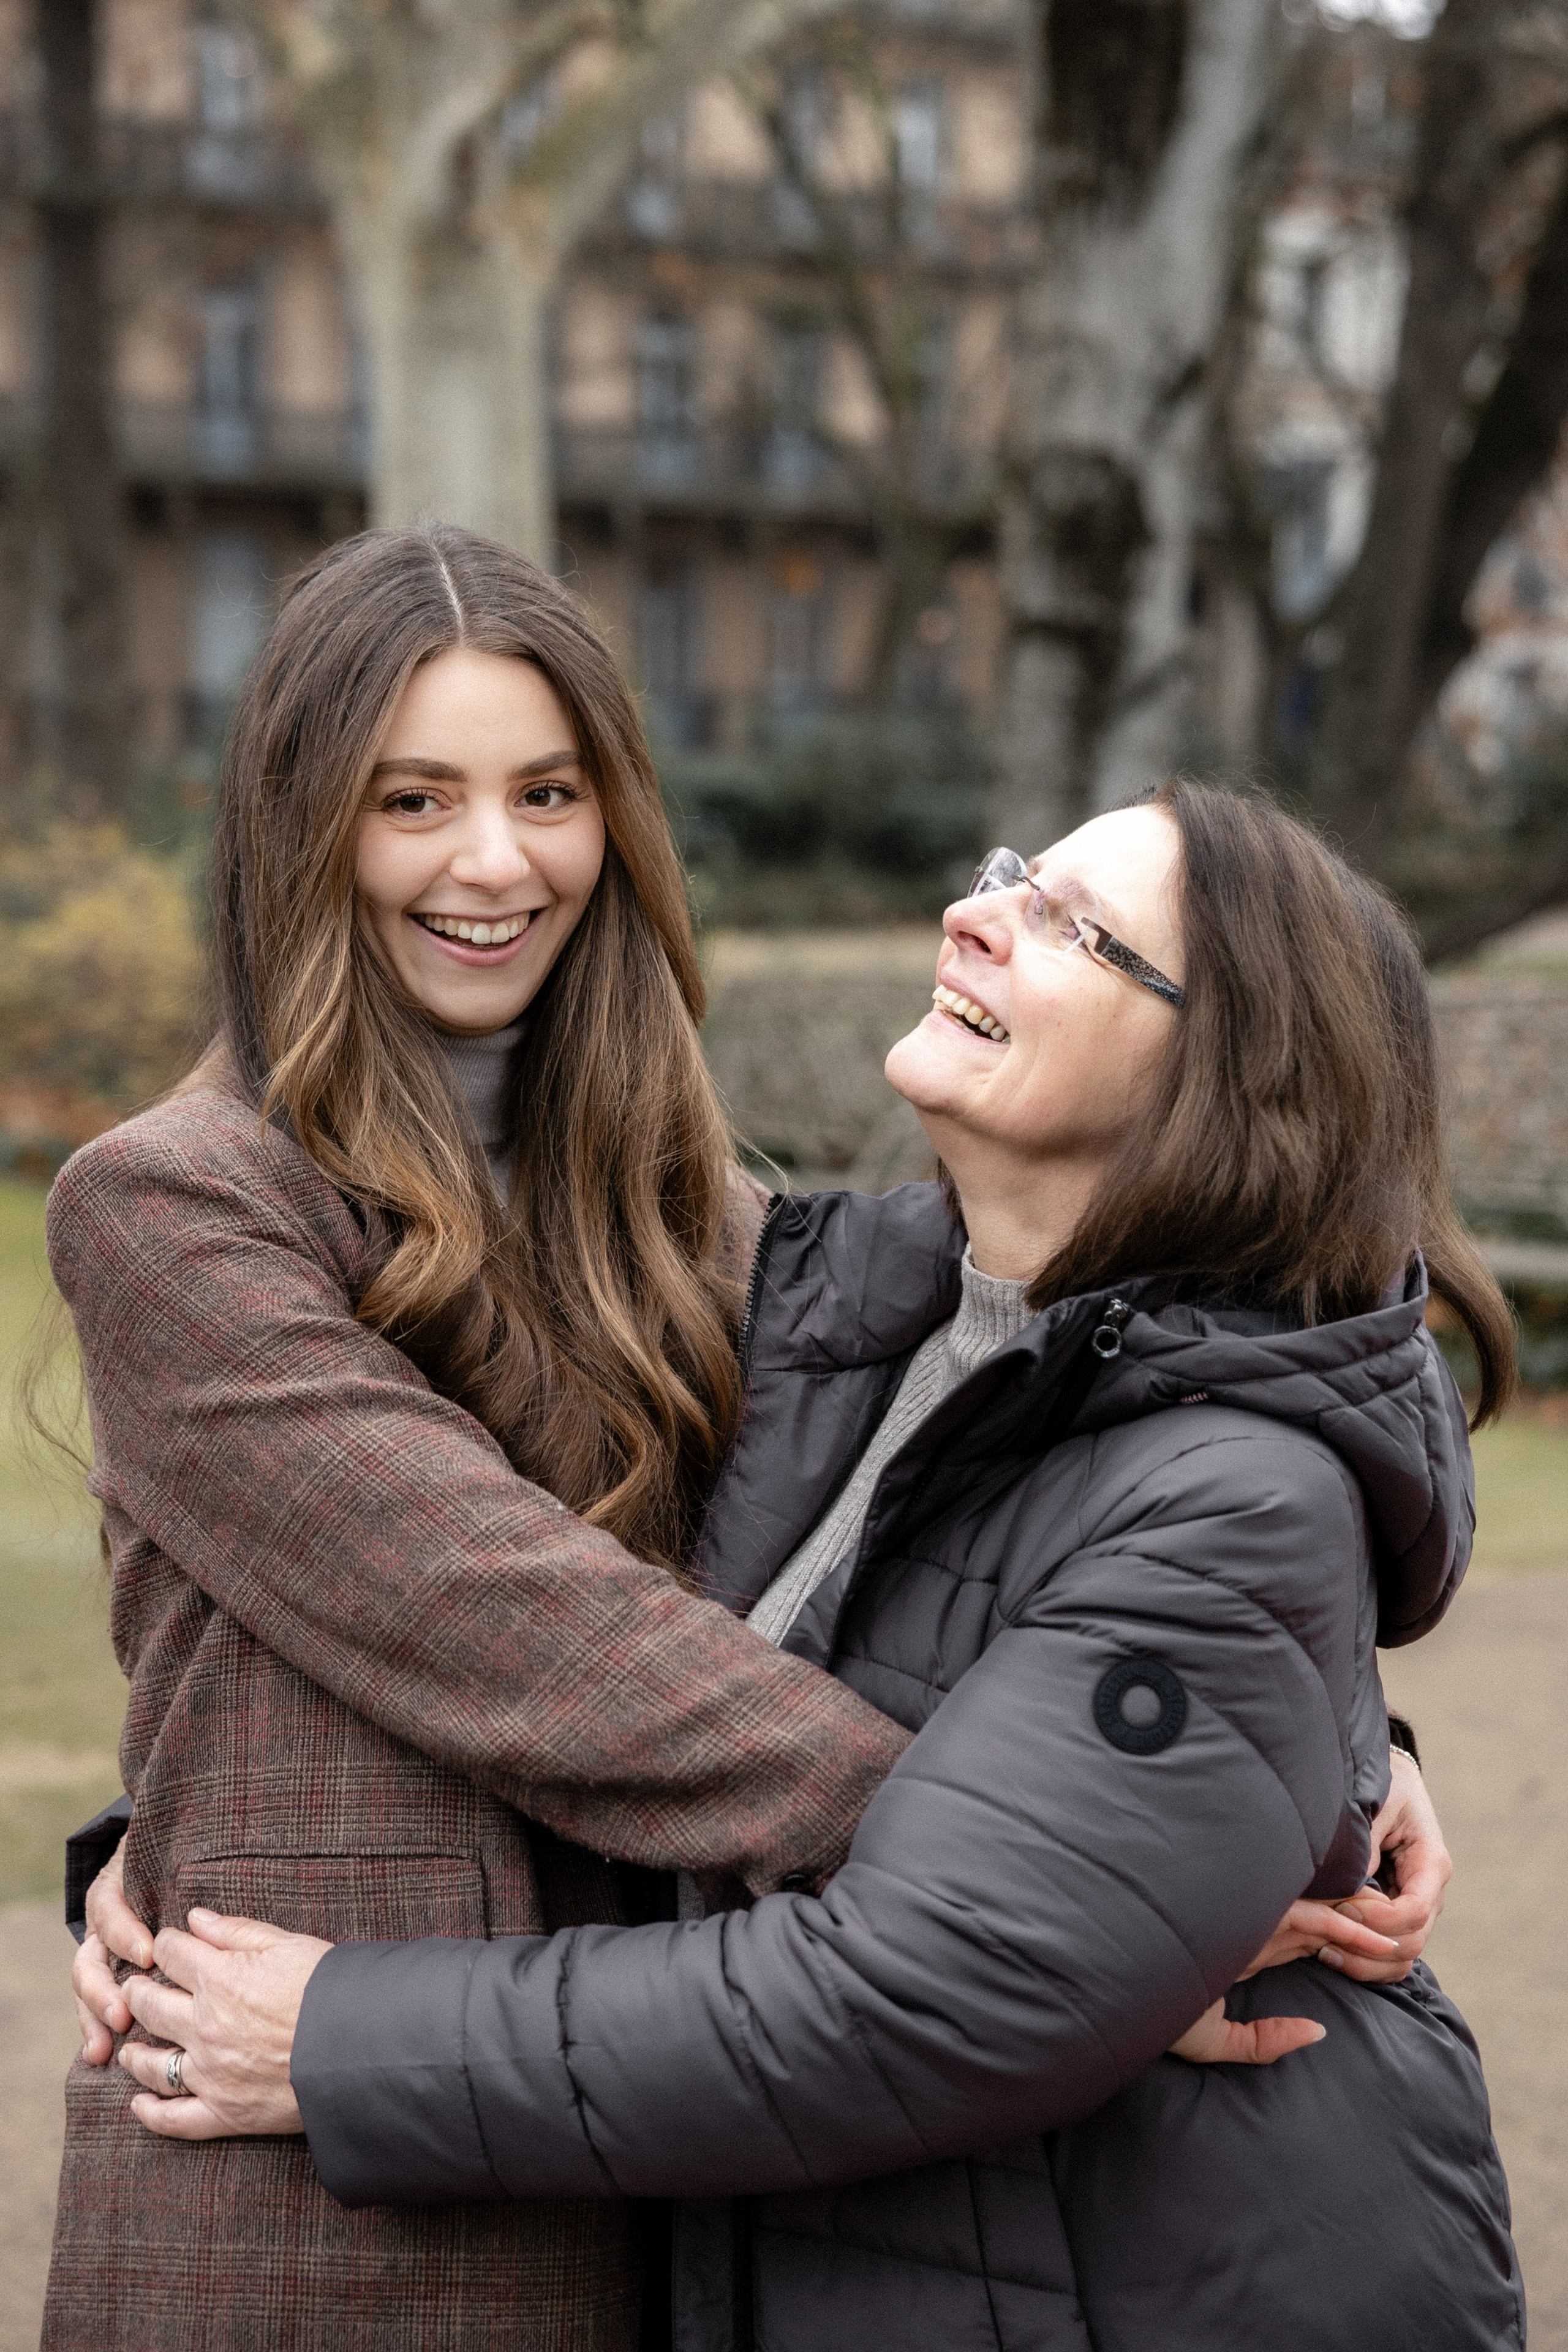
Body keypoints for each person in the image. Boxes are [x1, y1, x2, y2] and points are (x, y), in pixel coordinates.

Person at [83, 782, 1522, 2352]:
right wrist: (174, 1847)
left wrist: (338, 2047)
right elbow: (545, 1643)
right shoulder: (808, 1320)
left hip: (1145, 2282)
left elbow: (910, 1995)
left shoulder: (1239, 1492)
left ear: (1241, 1082)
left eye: (1074, 929)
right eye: (1006, 877)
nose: (975, 916)